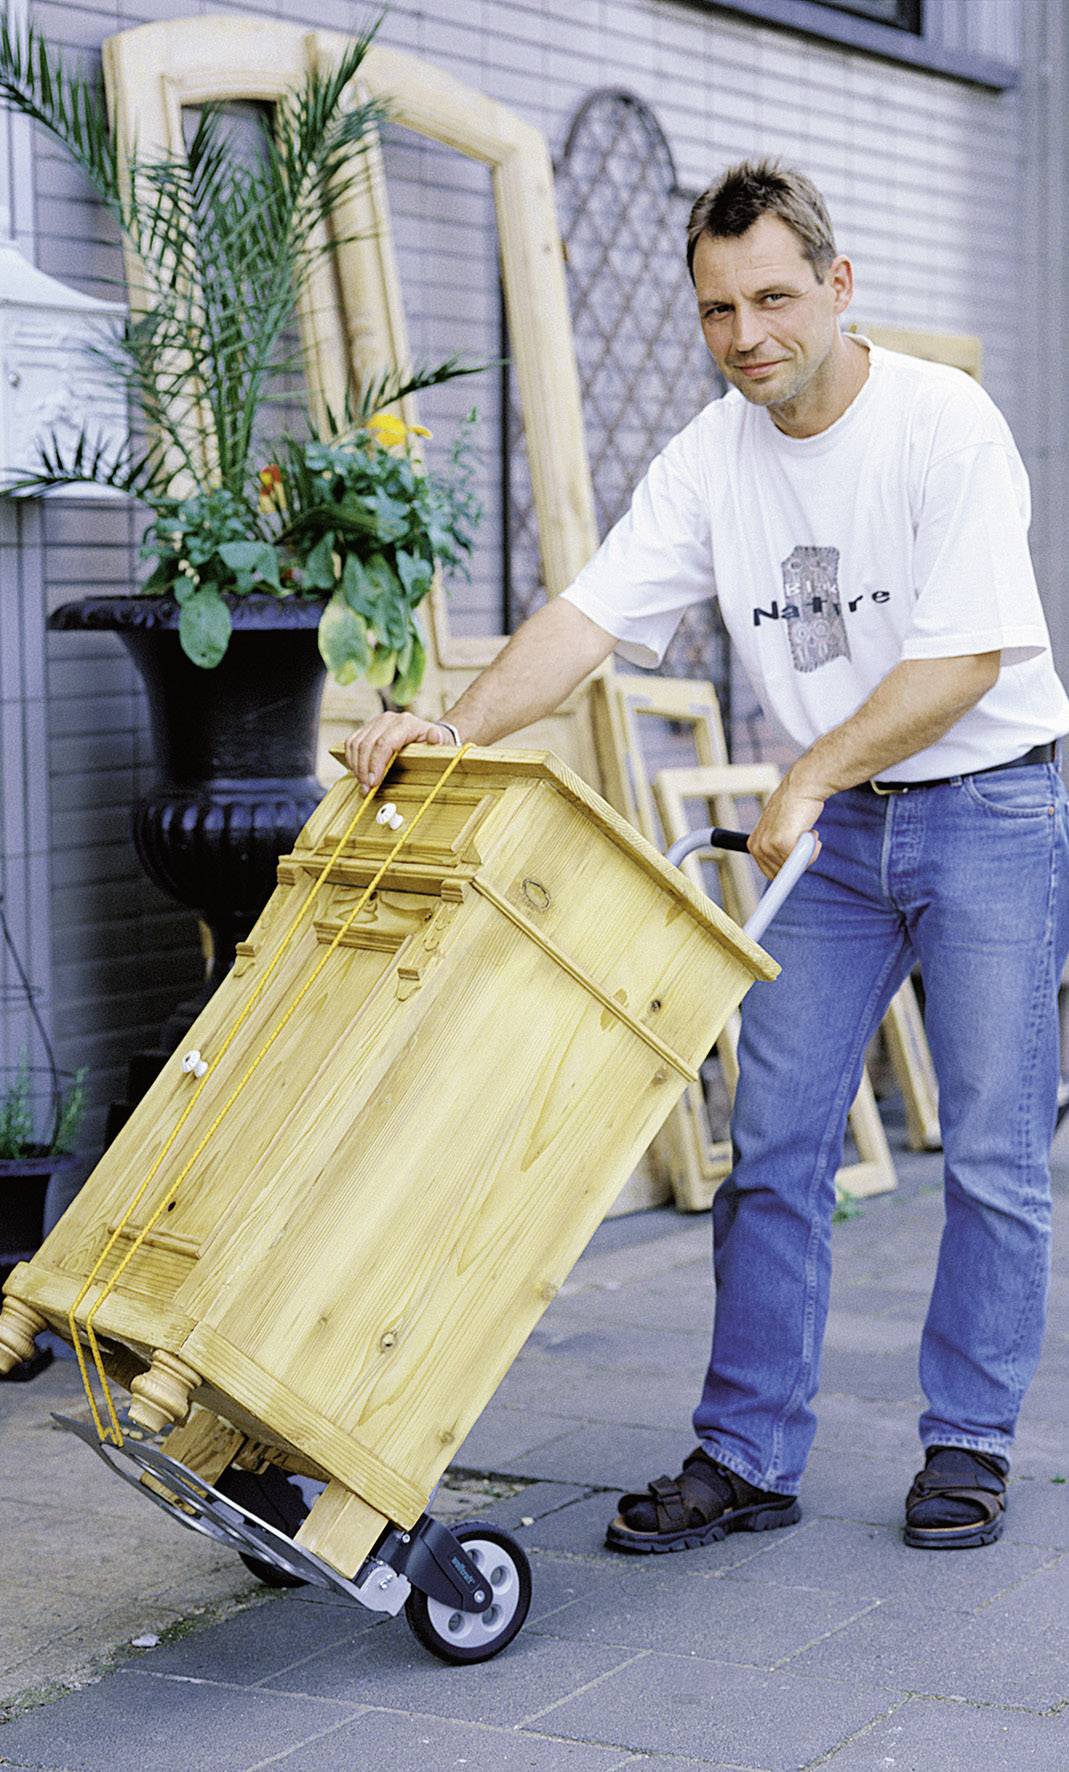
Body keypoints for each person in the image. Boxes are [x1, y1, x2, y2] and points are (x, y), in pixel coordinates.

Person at [345, 160, 1069, 1553]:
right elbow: (587, 620)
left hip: (987, 807)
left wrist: (804, 771)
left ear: (839, 285)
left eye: (775, 299)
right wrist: (451, 723)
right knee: (774, 1142)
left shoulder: (943, 424)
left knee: (989, 1152)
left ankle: (968, 1447)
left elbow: (969, 659)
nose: (748, 337)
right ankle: (745, 1456)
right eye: (717, 310)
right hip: (843, 832)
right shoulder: (708, 457)